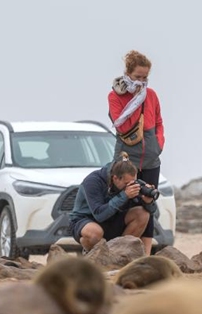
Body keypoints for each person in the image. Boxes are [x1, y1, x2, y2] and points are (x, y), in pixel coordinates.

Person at [108, 50, 165, 256]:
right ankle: (119, 251)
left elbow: (158, 121)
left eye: (145, 77)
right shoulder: (115, 96)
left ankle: (146, 254)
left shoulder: (151, 95)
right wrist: (134, 98)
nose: (141, 81)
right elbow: (122, 126)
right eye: (137, 77)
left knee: (148, 204)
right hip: (126, 158)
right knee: (124, 201)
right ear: (128, 73)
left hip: (150, 158)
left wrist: (158, 144)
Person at [68, 158, 157, 253]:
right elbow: (99, 215)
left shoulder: (131, 184)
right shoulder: (93, 181)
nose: (130, 186)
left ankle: (118, 253)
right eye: (126, 183)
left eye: (133, 182)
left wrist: (148, 202)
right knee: (94, 233)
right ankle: (91, 252)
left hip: (113, 219)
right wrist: (124, 195)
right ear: (115, 178)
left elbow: (151, 212)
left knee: (142, 214)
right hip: (87, 219)